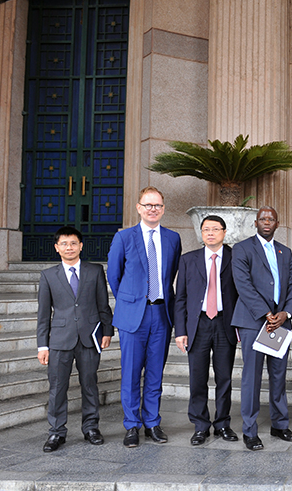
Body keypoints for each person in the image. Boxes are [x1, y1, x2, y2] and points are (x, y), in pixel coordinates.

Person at [107, 186, 181, 448]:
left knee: (155, 372)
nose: (153, 209)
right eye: (148, 205)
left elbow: (171, 273)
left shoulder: (173, 238)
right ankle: (131, 425)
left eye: (157, 205)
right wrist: (131, 300)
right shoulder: (124, 237)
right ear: (138, 208)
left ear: (163, 209)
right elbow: (114, 275)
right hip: (133, 315)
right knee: (130, 372)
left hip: (161, 313)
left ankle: (151, 422)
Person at [36, 226, 113, 452]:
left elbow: (103, 304)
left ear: (81, 246)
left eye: (73, 243)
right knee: (57, 387)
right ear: (57, 248)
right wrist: (42, 345)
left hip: (89, 337)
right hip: (60, 339)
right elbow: (43, 314)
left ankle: (91, 428)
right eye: (64, 244)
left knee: (89, 384)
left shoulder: (95, 271)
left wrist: (107, 331)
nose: (69, 247)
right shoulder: (48, 275)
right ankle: (56, 432)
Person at [232, 206, 292, 450]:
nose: (267, 222)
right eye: (262, 218)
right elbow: (243, 284)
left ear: (277, 223)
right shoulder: (242, 248)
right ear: (256, 223)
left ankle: (280, 424)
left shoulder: (285, 251)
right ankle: (250, 430)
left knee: (278, 376)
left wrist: (285, 313)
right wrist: (266, 313)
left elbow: (291, 286)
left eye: (271, 218)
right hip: (253, 321)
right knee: (252, 377)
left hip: (280, 322)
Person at [173, 215, 239, 446]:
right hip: (198, 324)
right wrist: (180, 330)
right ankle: (200, 425)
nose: (210, 233)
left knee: (224, 378)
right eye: (206, 229)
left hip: (224, 323)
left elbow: (242, 293)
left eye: (215, 229)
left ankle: (222, 423)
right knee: (197, 378)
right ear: (201, 233)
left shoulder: (235, 257)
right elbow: (180, 298)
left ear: (224, 232)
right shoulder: (188, 260)